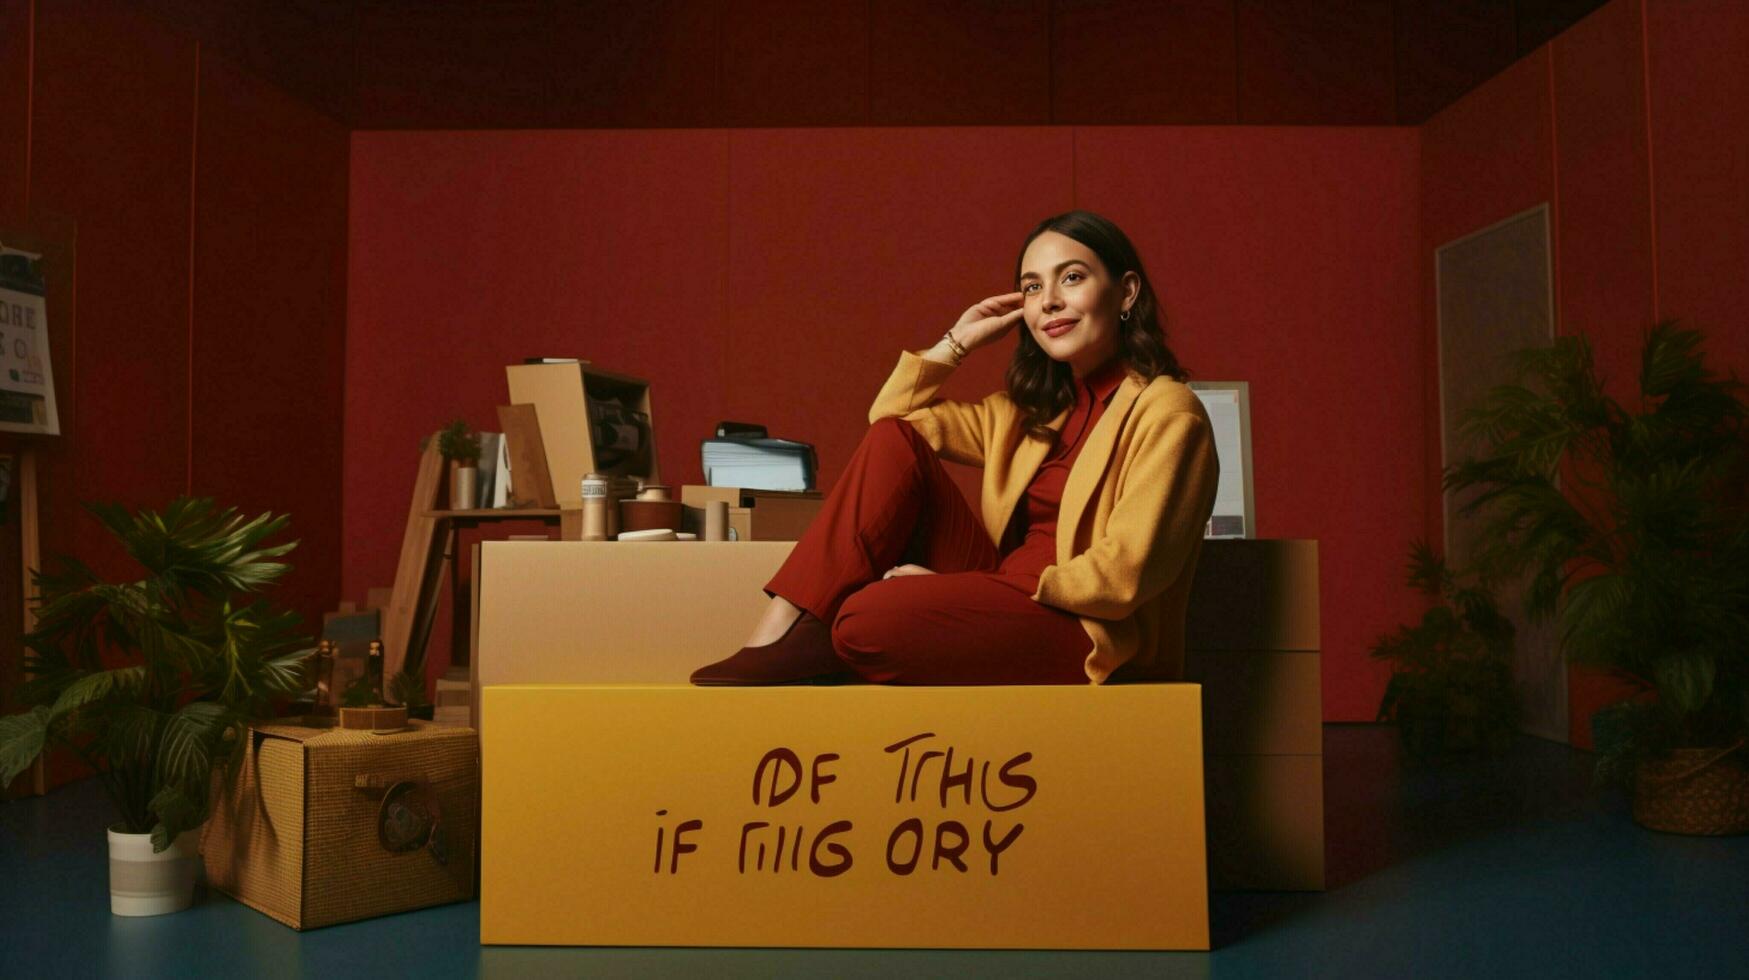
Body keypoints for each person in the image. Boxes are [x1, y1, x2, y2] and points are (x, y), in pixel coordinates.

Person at [690, 210, 1219, 686]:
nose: (1049, 301)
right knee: (893, 442)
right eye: (1032, 288)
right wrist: (956, 343)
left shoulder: (1169, 412)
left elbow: (1122, 578)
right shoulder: (1029, 412)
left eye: (1072, 278)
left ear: (1126, 293)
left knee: (862, 618)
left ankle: (812, 635)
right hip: (1008, 594)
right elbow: (891, 419)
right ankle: (777, 632)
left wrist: (977, 587)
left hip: (1086, 628)